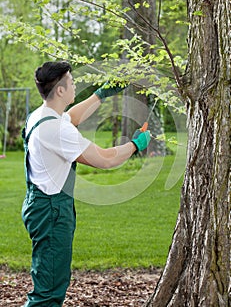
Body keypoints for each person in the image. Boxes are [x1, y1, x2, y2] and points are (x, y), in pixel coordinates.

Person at [21, 61, 151, 306]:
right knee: (48, 292)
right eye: (71, 82)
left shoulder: (41, 115)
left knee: (51, 280)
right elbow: (104, 159)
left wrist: (101, 94)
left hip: (41, 205)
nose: (75, 84)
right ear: (60, 90)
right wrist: (135, 145)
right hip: (51, 212)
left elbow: (73, 117)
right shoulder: (56, 129)